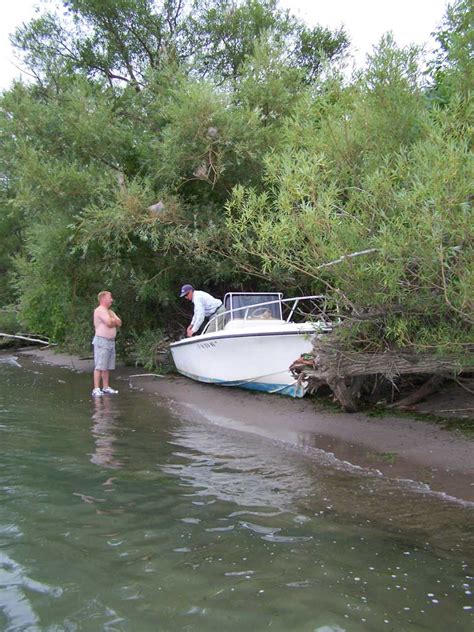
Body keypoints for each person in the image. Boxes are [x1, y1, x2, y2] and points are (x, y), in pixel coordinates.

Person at [92, 290, 122, 397]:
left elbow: (119, 322)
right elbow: (109, 323)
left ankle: (105, 387)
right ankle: (96, 388)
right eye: (110, 297)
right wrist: (113, 320)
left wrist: (113, 320)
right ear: (103, 298)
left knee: (107, 366)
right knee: (100, 365)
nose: (111, 299)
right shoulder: (99, 310)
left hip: (110, 341)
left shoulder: (110, 312)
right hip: (102, 341)